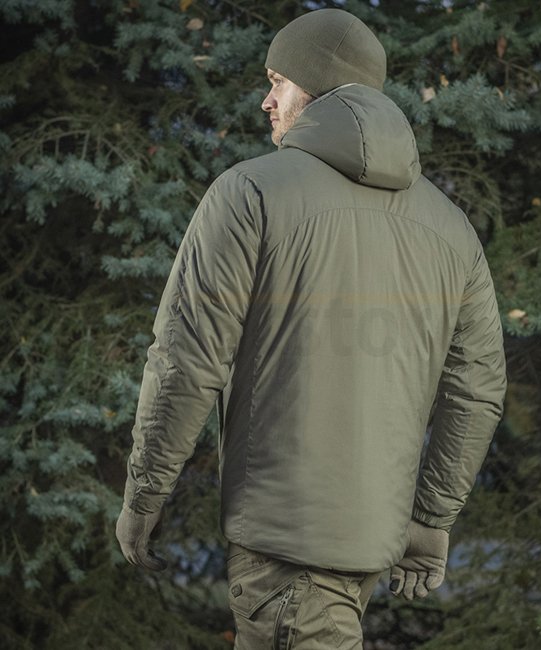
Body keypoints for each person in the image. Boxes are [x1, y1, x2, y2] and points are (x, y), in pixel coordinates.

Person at [115, 8, 507, 649]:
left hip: (285, 552)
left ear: (317, 87)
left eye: (278, 81)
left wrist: (145, 493)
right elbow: (477, 390)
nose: (266, 101)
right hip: (366, 545)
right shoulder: (451, 228)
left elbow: (186, 360)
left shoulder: (250, 193)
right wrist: (432, 518)